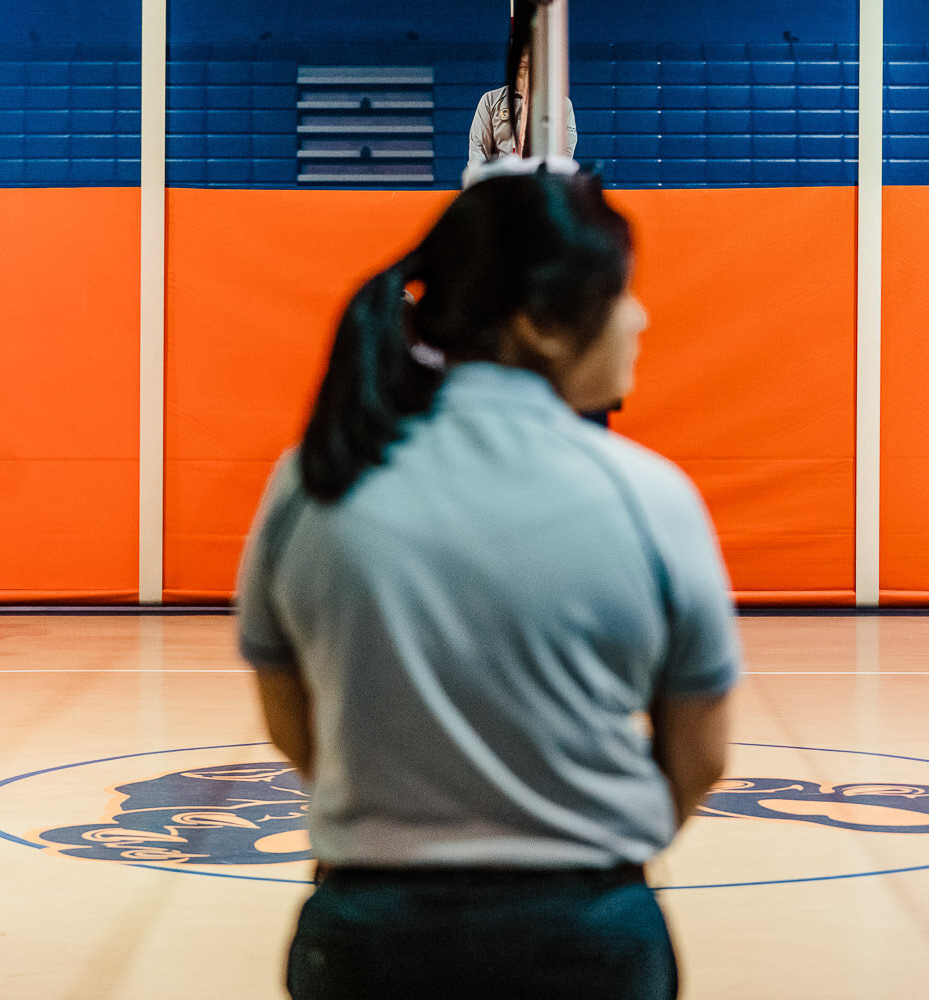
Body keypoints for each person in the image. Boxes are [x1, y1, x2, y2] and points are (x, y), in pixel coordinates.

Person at [236, 165, 739, 1000]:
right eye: (622, 295)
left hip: (366, 932)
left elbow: (292, 717)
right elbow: (701, 751)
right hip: (584, 932)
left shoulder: (312, 480)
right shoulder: (649, 496)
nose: (640, 317)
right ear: (541, 323)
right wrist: (585, 857)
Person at [466, 12, 578, 174]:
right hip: (501, 184)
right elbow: (478, 151)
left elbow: (565, 152)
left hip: (540, 185)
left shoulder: (560, 104)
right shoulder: (490, 100)